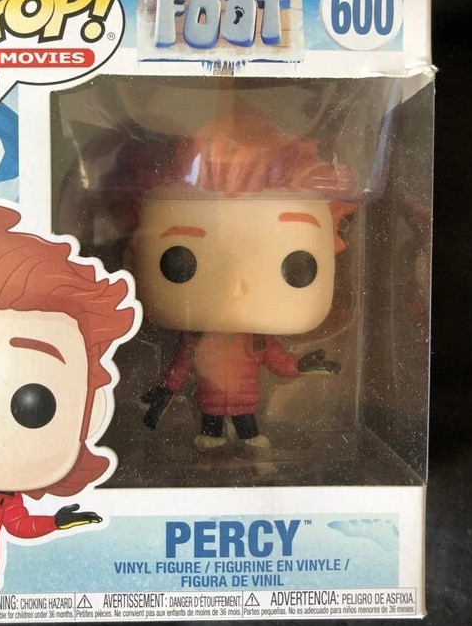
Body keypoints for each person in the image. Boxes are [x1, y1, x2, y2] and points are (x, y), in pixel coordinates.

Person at [0, 199, 138, 591]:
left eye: (32, 404)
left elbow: (21, 526)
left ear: (90, 410)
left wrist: (57, 522)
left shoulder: (1, 496)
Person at [131, 115, 355, 449]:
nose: (236, 288)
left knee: (249, 435)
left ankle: (242, 437)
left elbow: (279, 363)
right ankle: (216, 436)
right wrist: (165, 391)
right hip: (209, 405)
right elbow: (180, 368)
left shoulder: (256, 341)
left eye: (297, 265)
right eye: (179, 263)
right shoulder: (198, 338)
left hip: (246, 405)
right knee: (213, 435)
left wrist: (303, 366)